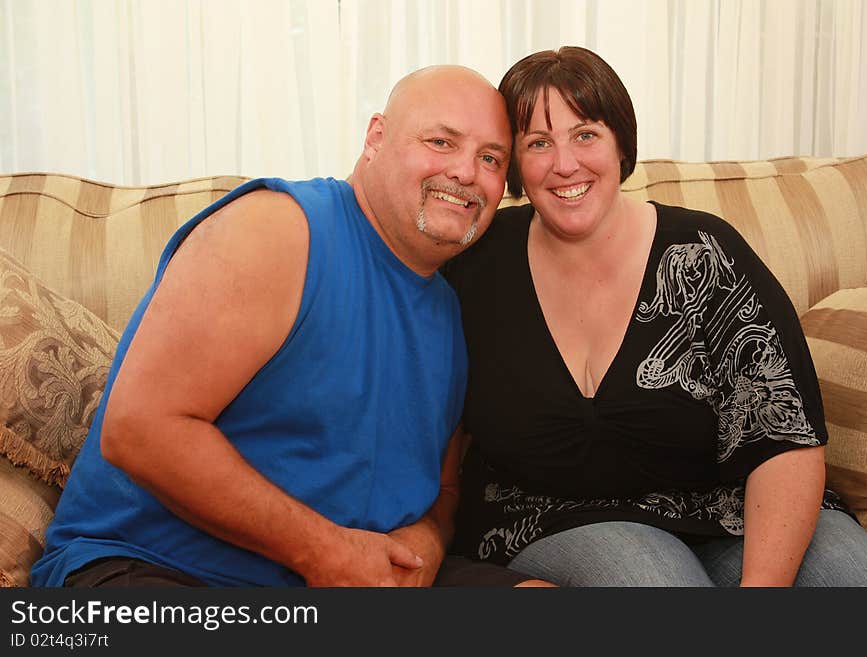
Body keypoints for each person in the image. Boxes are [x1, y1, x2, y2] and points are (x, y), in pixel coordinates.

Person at [29, 65, 534, 588]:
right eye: (441, 141)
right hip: (158, 568)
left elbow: (444, 489)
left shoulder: (454, 310)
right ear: (376, 137)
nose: (466, 172)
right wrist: (324, 552)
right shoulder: (276, 229)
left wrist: (429, 536)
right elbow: (138, 429)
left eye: (490, 158)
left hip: (356, 579)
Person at [440, 47, 867, 586]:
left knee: (856, 578)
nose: (565, 164)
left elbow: (784, 438)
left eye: (585, 134)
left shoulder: (705, 254)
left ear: (621, 142)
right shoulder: (479, 266)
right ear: (513, 163)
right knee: (654, 580)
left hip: (727, 509)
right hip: (554, 518)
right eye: (538, 143)